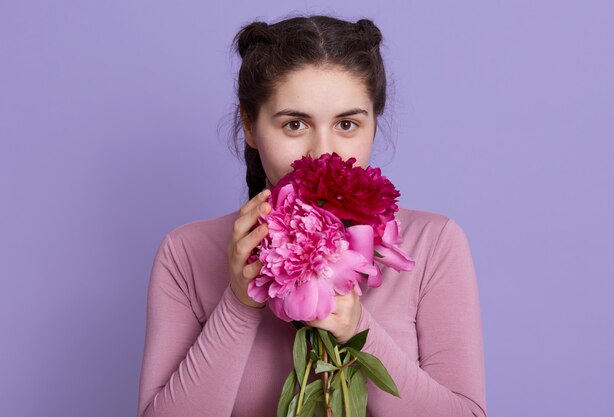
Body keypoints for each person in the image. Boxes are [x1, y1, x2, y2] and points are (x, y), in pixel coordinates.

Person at [137, 15, 487, 417]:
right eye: (295, 124)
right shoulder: (186, 252)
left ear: (375, 123)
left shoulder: (434, 243)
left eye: (347, 124)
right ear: (250, 126)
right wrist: (238, 301)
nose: (323, 153)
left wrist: (359, 331)